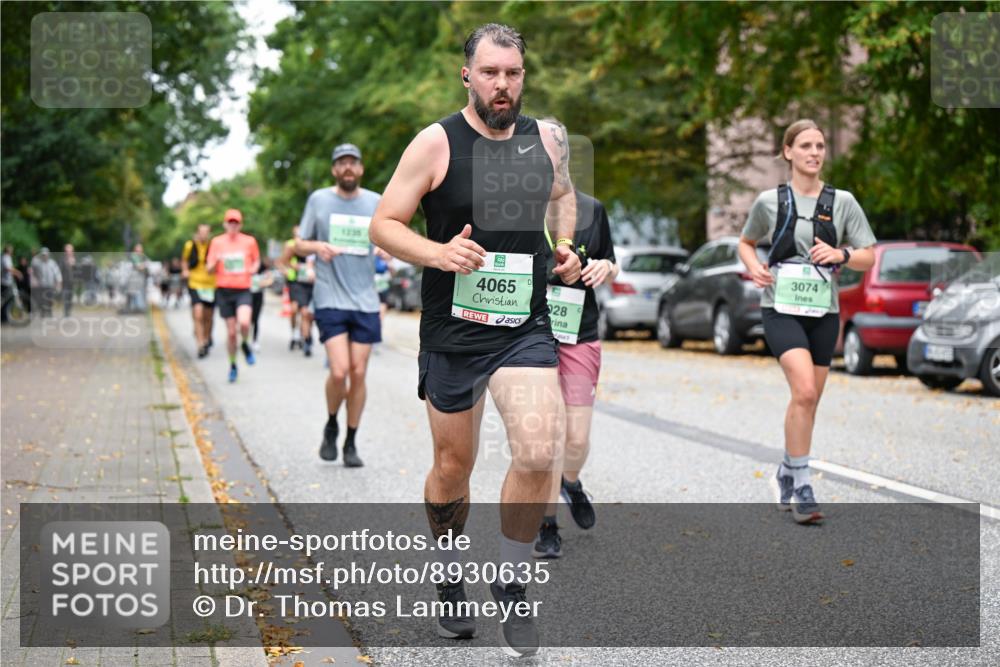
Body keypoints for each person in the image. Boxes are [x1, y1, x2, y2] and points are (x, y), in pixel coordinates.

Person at [369, 23, 580, 656]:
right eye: (490, 73)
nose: (502, 85)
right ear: (468, 75)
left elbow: (563, 198)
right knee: (453, 468)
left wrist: (566, 247)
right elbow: (384, 224)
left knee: (542, 448)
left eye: (513, 73)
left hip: (524, 325)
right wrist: (438, 252)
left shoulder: (547, 138)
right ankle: (448, 573)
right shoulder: (435, 143)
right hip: (453, 331)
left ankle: (511, 580)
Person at [738, 119, 876, 525]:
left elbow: (869, 253)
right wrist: (754, 268)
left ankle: (786, 468)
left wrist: (842, 256)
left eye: (820, 145)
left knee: (809, 398)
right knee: (802, 390)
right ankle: (801, 482)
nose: (815, 152)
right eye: (805, 146)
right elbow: (746, 243)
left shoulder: (842, 201)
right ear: (788, 152)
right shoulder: (770, 201)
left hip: (823, 312)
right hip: (780, 306)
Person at [532, 186, 618, 559]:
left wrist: (605, 267)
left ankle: (571, 483)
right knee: (547, 435)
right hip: (531, 334)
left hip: (579, 330)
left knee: (577, 439)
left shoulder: (591, 209)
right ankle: (547, 526)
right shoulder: (516, 204)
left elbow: (611, 261)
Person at [296, 143, 383, 468]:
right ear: (334, 169)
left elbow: (390, 236)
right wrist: (317, 246)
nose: (347, 168)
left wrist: (387, 250)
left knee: (359, 373)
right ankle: (331, 422)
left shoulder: (376, 202)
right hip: (330, 296)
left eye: (353, 163)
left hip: (365, 299)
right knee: (339, 370)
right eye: (341, 163)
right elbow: (298, 245)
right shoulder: (318, 199)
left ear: (360, 169)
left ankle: (350, 439)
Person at [206, 209, 260, 383]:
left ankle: (245, 343)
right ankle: (233, 365)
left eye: (236, 222)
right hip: (224, 290)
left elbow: (257, 260)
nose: (233, 225)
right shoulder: (216, 242)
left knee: (244, 323)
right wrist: (217, 261)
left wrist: (253, 268)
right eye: (230, 222)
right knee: (230, 333)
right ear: (224, 224)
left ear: (240, 224)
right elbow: (208, 269)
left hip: (243, 288)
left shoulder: (249, 241)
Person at [278, 226, 317, 356]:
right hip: (296, 282)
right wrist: (294, 267)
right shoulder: (292, 246)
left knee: (309, 314)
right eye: (296, 235)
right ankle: (300, 336)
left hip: (312, 283)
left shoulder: (317, 244)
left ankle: (306, 334)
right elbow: (282, 261)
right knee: (298, 310)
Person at [182, 224, 217, 358]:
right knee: (198, 313)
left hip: (210, 285)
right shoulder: (190, 246)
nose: (203, 235)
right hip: (195, 283)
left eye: (206, 232)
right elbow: (184, 260)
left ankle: (207, 338)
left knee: (208, 316)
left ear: (209, 234)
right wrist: (185, 271)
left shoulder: (213, 246)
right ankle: (200, 343)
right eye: (201, 232)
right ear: (197, 233)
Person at [250, 257, 274, 351]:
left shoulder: (263, 267)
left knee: (255, 319)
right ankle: (244, 340)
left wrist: (263, 283)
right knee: (245, 319)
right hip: (246, 295)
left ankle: (254, 341)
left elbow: (270, 280)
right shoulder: (245, 264)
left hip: (258, 296)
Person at [30, 247, 62, 318]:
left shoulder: (52, 263)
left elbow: (57, 273)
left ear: (48, 255)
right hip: (42, 285)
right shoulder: (38, 263)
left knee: (49, 299)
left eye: (46, 255)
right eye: (43, 255)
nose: (44, 256)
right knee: (42, 299)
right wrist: (34, 255)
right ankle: (43, 312)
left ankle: (49, 312)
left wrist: (58, 282)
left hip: (50, 285)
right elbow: (33, 265)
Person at [1, 245, 24, 323]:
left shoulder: (7, 257)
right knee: (7, 300)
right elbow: (8, 268)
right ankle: (4, 318)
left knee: (7, 299)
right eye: (11, 249)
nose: (12, 251)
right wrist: (17, 273)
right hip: (5, 282)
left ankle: (5, 317)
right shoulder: (5, 257)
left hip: (8, 281)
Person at [59, 244, 77, 317]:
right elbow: (60, 270)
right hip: (65, 281)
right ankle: (66, 312)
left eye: (71, 251)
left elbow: (77, 271)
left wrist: (73, 264)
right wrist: (59, 281)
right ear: (65, 251)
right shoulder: (62, 259)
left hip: (72, 282)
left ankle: (68, 310)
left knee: (70, 297)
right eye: (67, 251)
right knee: (66, 296)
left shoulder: (74, 259)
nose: (69, 252)